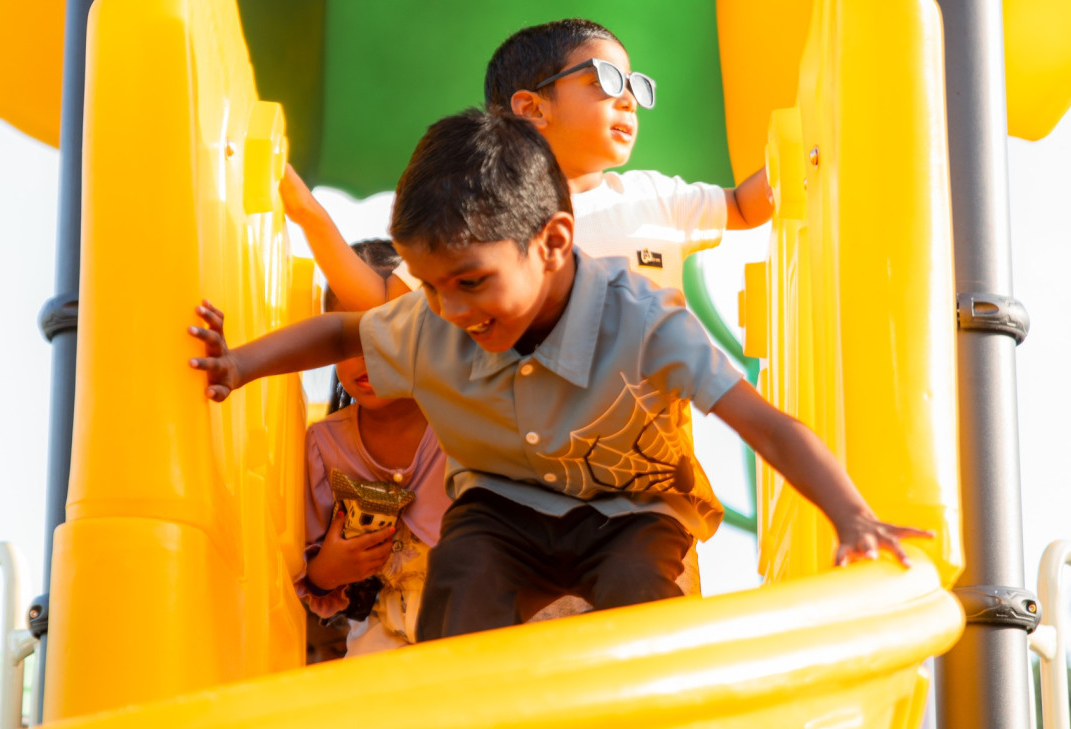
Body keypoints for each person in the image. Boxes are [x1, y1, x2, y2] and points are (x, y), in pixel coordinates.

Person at [189, 110, 928, 642]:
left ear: (554, 241)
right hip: (502, 506)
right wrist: (240, 363)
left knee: (640, 593)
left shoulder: (644, 323)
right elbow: (340, 331)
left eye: (470, 282)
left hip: (632, 510)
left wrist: (852, 516)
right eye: (430, 285)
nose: (450, 308)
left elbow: (763, 424)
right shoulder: (435, 320)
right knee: (463, 576)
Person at [484, 17, 773, 290]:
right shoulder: (490, 220)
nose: (629, 100)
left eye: (633, 85)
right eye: (604, 80)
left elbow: (742, 207)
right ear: (533, 109)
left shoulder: (655, 197)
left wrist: (794, 143)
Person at [297, 239, 450, 655]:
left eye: (388, 332)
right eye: (349, 336)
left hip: (475, 618)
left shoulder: (458, 421)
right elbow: (311, 575)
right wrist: (327, 570)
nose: (368, 355)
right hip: (386, 630)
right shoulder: (324, 445)